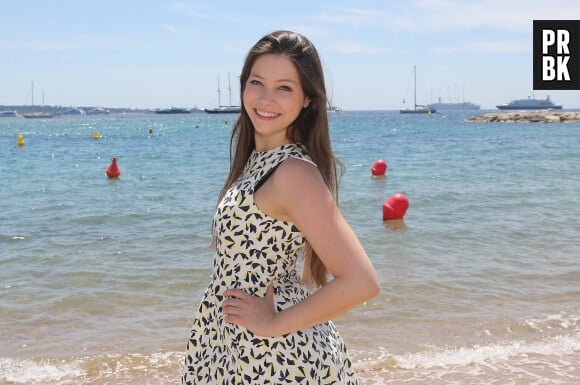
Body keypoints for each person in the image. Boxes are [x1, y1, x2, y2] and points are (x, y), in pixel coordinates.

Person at [182, 30, 380, 385]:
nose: (266, 98)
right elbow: (294, 258)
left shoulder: (293, 172)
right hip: (239, 346)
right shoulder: (261, 161)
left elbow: (362, 281)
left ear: (307, 99)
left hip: (275, 358)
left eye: (284, 87)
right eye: (257, 82)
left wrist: (273, 323)